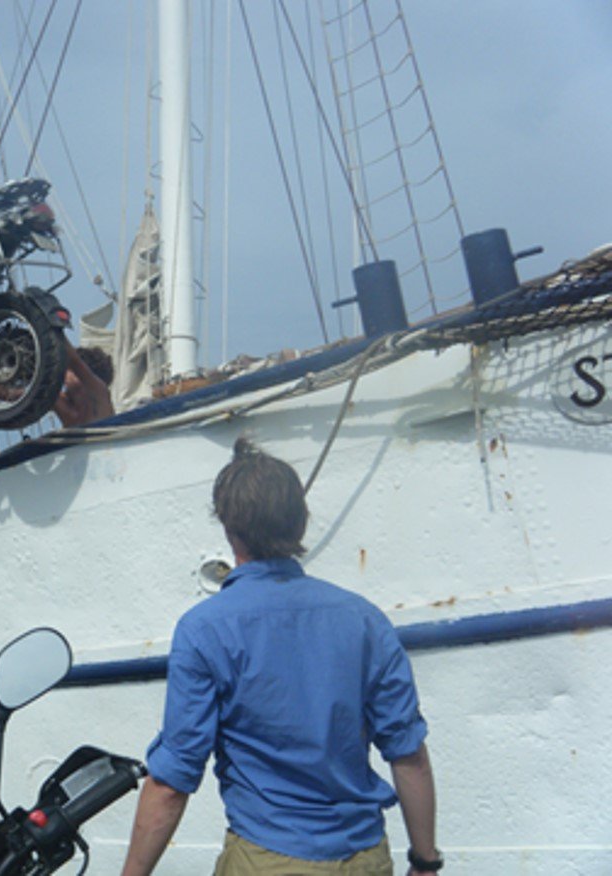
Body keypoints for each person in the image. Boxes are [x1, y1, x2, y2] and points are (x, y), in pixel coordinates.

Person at [122, 438, 439, 876]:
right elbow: (409, 755)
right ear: (300, 523)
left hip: (267, 859)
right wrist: (426, 861)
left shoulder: (204, 629)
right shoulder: (366, 621)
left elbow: (172, 783)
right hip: (366, 859)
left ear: (228, 528)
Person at [54, 341, 115, 427]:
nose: (63, 375)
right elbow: (40, 390)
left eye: (67, 369)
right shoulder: (68, 404)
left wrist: (54, 333)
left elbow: (74, 360)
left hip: (101, 438)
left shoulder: (100, 393)